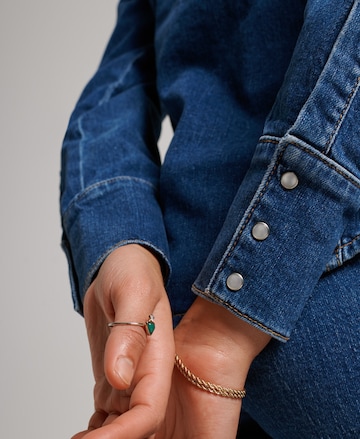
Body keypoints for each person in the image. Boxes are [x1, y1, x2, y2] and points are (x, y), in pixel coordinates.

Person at [60, 0, 360, 437]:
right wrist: (229, 320)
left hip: (181, 322)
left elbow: (117, 84)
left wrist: (117, 241)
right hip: (319, 295)